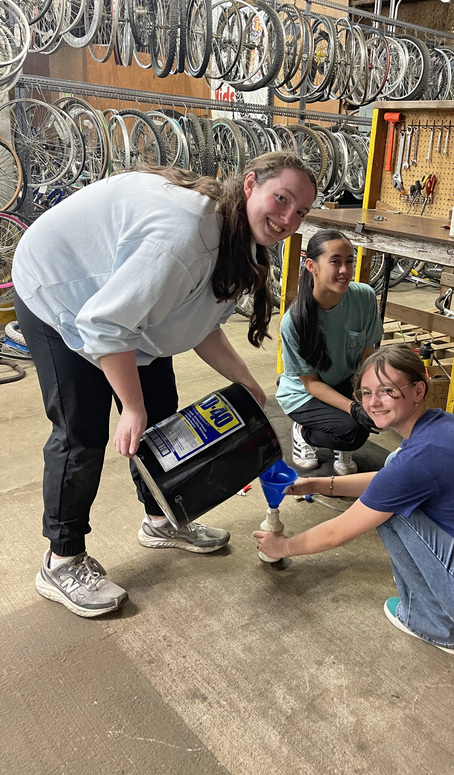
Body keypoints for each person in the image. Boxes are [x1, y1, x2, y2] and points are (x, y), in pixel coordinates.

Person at [12, 152, 317, 618]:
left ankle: (160, 520)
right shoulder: (185, 238)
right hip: (58, 290)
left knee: (163, 420)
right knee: (82, 435)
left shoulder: (242, 238)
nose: (288, 219)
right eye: (282, 199)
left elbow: (202, 326)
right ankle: (62, 558)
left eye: (301, 212)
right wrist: (130, 406)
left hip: (117, 311)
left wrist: (245, 379)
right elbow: (105, 325)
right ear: (250, 184)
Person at [255, 344, 454, 657]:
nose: (374, 402)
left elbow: (337, 532)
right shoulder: (442, 428)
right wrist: (320, 484)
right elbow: (392, 481)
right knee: (391, 483)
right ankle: (453, 617)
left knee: (393, 511)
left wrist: (282, 547)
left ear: (418, 390)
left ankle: (435, 624)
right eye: (366, 392)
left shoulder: (418, 461)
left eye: (387, 390)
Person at [276, 229, 383, 476]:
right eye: (335, 261)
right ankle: (304, 431)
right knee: (353, 432)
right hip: (305, 392)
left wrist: (369, 395)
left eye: (349, 261)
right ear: (311, 266)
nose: (344, 270)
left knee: (373, 414)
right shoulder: (294, 322)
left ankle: (336, 427)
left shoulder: (364, 297)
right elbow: (311, 383)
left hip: (344, 380)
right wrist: (354, 408)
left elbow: (367, 357)